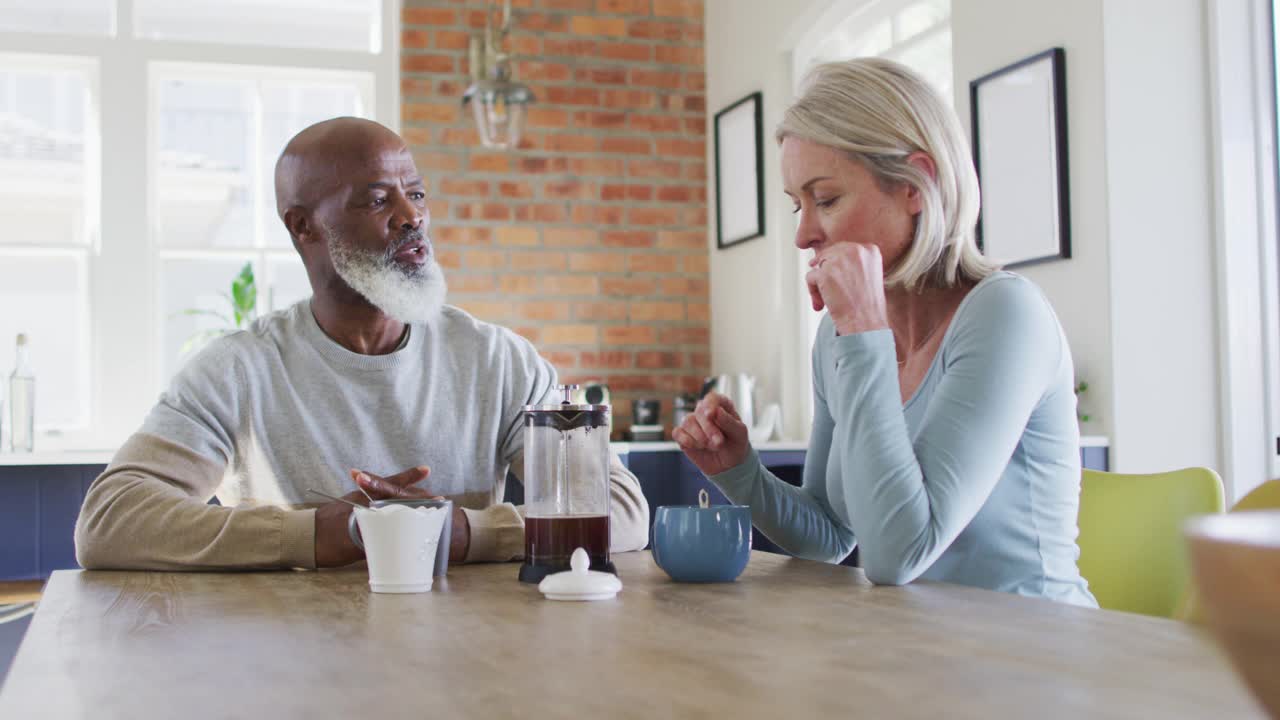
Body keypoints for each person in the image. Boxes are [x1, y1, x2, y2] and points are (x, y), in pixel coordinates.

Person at [75, 117, 648, 570]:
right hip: (286, 667)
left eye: (416, 194)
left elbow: (621, 512)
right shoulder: (236, 370)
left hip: (475, 662)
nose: (411, 218)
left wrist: (465, 533)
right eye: (377, 200)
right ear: (303, 226)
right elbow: (109, 522)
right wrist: (323, 534)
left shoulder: (500, 361)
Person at [674, 59, 1096, 607]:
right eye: (796, 205)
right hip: (918, 661)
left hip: (1038, 662)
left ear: (916, 185)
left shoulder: (1005, 315)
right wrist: (741, 473)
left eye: (825, 200)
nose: (803, 234)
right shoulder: (839, 338)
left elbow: (899, 552)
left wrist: (862, 332)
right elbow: (832, 535)